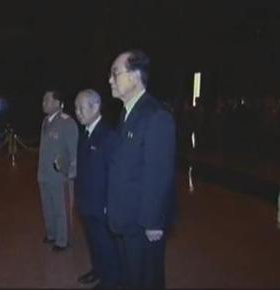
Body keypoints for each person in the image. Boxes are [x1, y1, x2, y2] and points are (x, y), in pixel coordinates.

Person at [107, 50, 177, 289]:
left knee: (146, 280)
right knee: (131, 279)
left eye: (115, 73)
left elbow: (159, 173)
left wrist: (153, 223)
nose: (110, 80)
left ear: (135, 76)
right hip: (126, 218)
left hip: (142, 224)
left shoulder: (155, 115)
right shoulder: (127, 113)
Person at [74, 89, 120, 289]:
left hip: (101, 205)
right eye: (76, 107)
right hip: (86, 202)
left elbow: (114, 174)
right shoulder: (85, 133)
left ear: (95, 107)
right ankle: (98, 270)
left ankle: (110, 281)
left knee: (105, 245)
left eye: (81, 107)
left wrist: (109, 204)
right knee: (93, 242)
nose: (77, 112)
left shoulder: (108, 135)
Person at [37, 90, 78, 251]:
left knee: (61, 208)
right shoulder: (46, 122)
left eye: (47, 100)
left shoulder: (67, 123)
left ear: (57, 103)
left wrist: (70, 172)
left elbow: (73, 151)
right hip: (44, 174)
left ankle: (63, 239)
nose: (44, 103)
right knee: (48, 206)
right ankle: (52, 233)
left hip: (60, 175)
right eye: (43, 100)